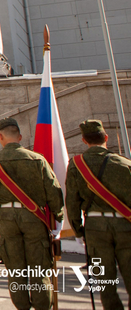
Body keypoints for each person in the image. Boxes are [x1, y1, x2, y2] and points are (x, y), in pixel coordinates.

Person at [65, 119, 131, 310]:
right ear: (106, 138)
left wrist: (78, 230)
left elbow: (72, 201)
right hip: (125, 224)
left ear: (84, 140)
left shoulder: (77, 164)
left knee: (105, 280)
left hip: (95, 228)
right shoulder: (124, 163)